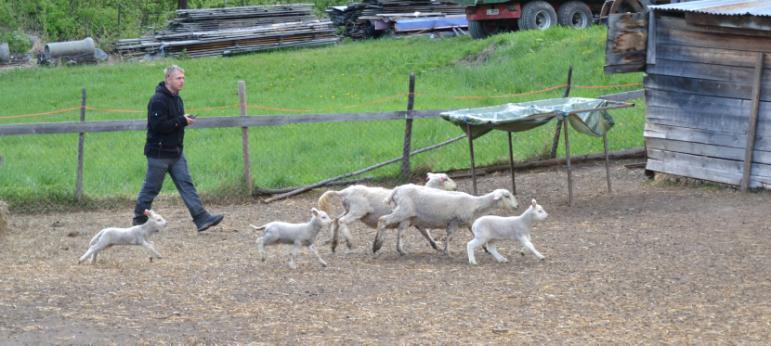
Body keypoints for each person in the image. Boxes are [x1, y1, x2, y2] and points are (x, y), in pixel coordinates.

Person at [132, 65, 224, 232]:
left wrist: (183, 119)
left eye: (183, 78)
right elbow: (157, 125)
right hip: (159, 154)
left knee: (186, 184)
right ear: (168, 79)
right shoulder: (158, 100)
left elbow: (174, 122)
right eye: (178, 78)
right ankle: (139, 220)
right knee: (151, 188)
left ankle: (201, 218)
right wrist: (181, 121)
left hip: (175, 152)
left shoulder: (177, 99)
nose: (182, 81)